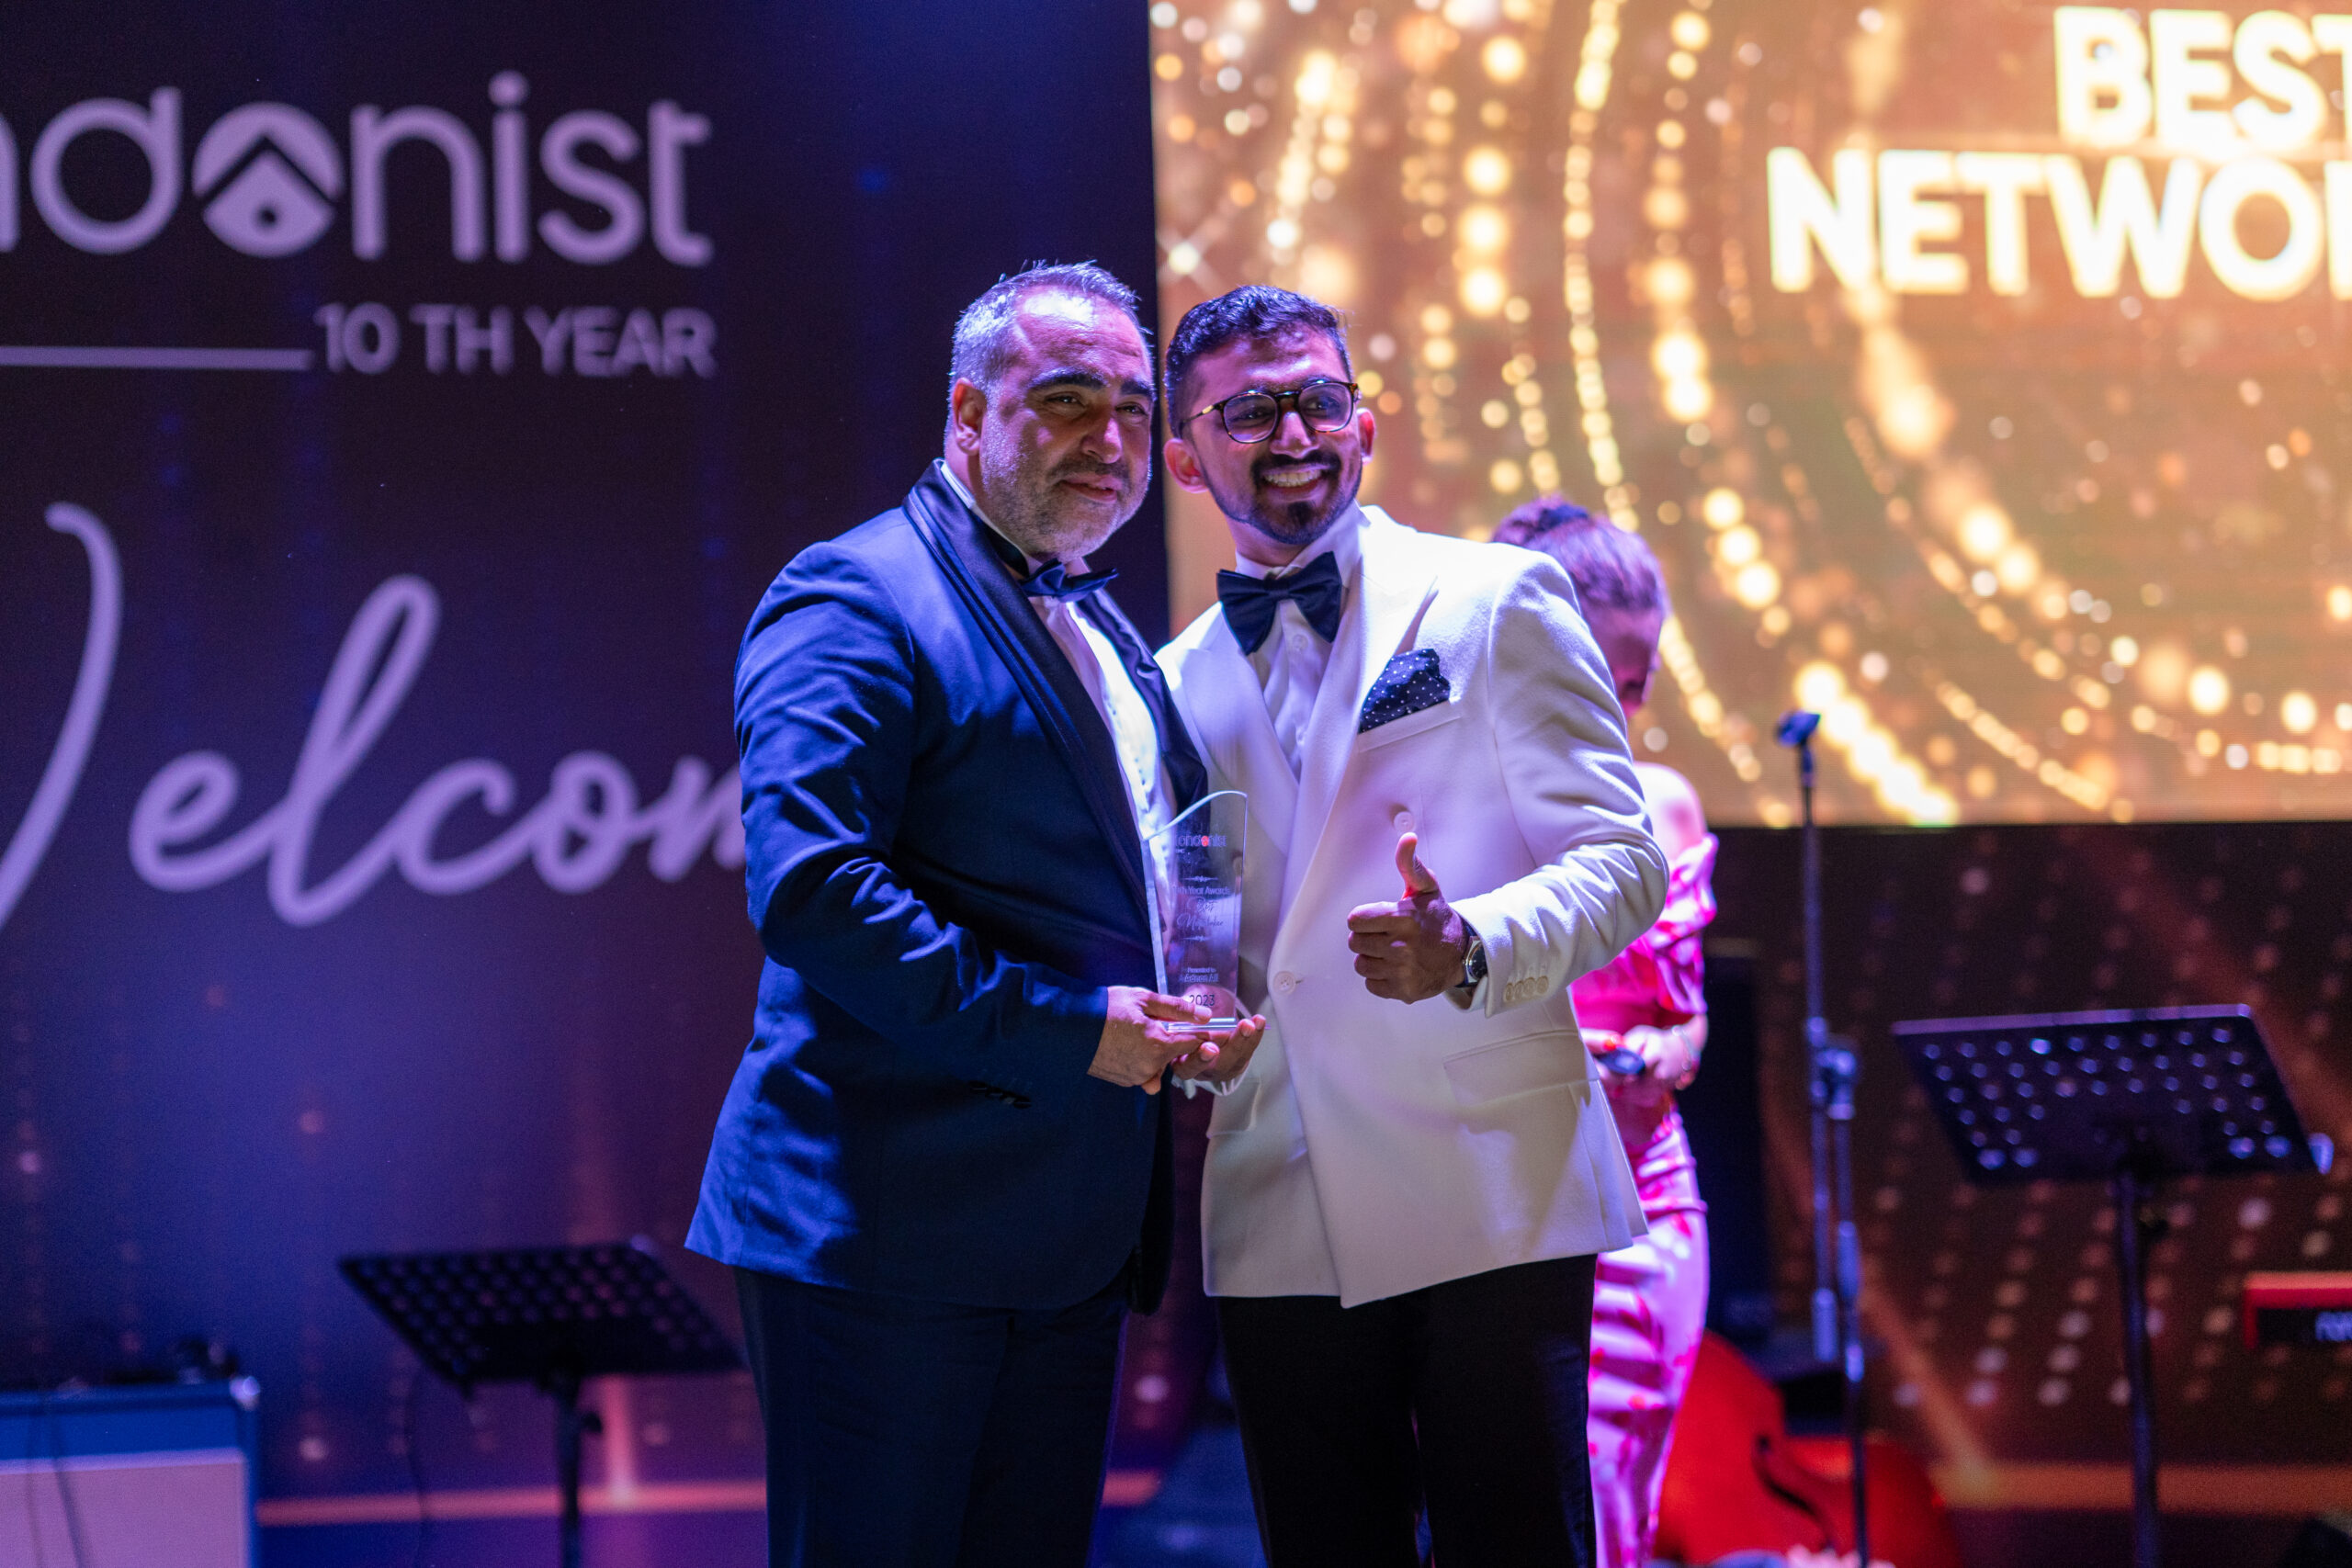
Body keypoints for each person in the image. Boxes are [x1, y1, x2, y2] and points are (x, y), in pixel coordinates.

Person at [687, 263, 1263, 1568]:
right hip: (883, 1229)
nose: (1108, 438)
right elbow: (815, 891)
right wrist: (1075, 1030)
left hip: (1064, 1234)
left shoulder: (1103, 627)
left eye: (1132, 407)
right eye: (1065, 400)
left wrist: (1194, 1001)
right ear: (966, 413)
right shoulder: (854, 593)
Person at [1154, 284, 1667, 1567]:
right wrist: (1188, 1012)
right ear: (1186, 457)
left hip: (1490, 1176)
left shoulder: (1494, 598)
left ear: (1365, 426)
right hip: (1283, 1190)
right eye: (1249, 410)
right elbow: (1200, 917)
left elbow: (1623, 860)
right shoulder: (1168, 680)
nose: (1293, 433)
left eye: (1319, 400)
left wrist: (1472, 942)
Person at [1495, 497, 1718, 1568]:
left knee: (1622, 1498)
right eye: (1603, 683)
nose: (1625, 713)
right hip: (1515, 1199)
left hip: (1650, 1202)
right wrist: (1580, 1054)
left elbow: (1686, 1010)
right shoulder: (1468, 808)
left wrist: (1673, 1051)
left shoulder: (1664, 802)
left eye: (1638, 685)